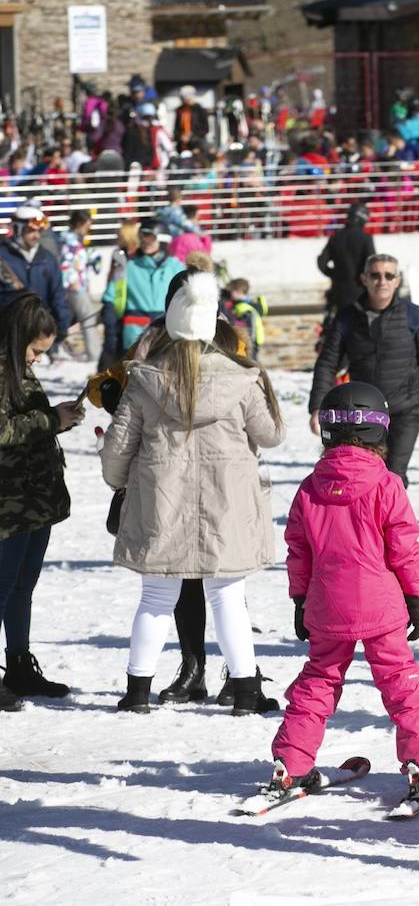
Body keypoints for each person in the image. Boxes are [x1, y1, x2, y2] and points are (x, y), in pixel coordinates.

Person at [100, 272, 286, 715]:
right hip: (227, 504)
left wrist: (120, 483)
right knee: (228, 597)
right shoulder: (241, 379)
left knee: (155, 597)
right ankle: (245, 693)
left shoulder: (145, 379)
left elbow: (116, 451)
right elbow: (273, 434)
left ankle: (138, 692)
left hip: (161, 504)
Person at [268, 381, 419, 806]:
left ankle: (290, 765)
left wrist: (300, 599)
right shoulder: (386, 484)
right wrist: (416, 595)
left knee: (318, 680)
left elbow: (299, 549)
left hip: (327, 603)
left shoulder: (310, 487)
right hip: (380, 606)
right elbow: (404, 546)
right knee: (401, 683)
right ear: (379, 431)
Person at [0, 295, 83, 711]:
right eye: (35, 350)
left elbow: (25, 425)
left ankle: (18, 663)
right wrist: (51, 419)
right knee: (3, 587)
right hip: (7, 503)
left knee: (22, 588)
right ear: (17, 338)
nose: (37, 359)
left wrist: (60, 418)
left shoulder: (18, 368)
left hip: (33, 500)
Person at [309, 254, 419, 487]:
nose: (382, 281)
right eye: (375, 275)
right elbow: (327, 363)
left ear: (397, 280)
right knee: (365, 474)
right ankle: (367, 522)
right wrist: (318, 407)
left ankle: (391, 523)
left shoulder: (414, 316)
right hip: (364, 414)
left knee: (394, 474)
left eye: (389, 275)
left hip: (405, 410)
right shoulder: (347, 317)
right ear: (364, 279)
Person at [102, 218, 186, 355]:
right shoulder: (129, 266)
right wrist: (111, 329)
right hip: (134, 337)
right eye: (142, 237)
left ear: (162, 239)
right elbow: (110, 297)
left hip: (166, 336)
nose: (145, 242)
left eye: (150, 237)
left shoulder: (176, 267)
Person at [0, 203, 68, 343]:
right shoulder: (2, 256)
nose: (37, 236)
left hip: (39, 334)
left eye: (39, 231)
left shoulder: (47, 259)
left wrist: (61, 326)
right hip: (8, 334)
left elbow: (58, 296)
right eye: (31, 230)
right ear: (18, 229)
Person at [317, 202, 376, 316]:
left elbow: (321, 262)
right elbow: (373, 265)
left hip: (339, 293)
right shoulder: (366, 239)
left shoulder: (335, 238)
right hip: (361, 293)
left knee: (340, 329)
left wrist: (335, 275)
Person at [58, 209, 99, 361]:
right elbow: (65, 263)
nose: (89, 227)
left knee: (65, 319)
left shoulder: (75, 239)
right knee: (88, 318)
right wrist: (73, 281)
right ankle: (94, 354)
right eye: (88, 224)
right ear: (80, 223)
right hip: (74, 287)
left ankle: (56, 348)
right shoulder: (69, 240)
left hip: (77, 285)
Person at [173, 86, 210, 152]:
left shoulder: (199, 110)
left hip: (197, 145)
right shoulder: (180, 110)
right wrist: (181, 136)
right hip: (183, 146)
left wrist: (191, 135)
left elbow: (205, 129)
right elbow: (176, 129)